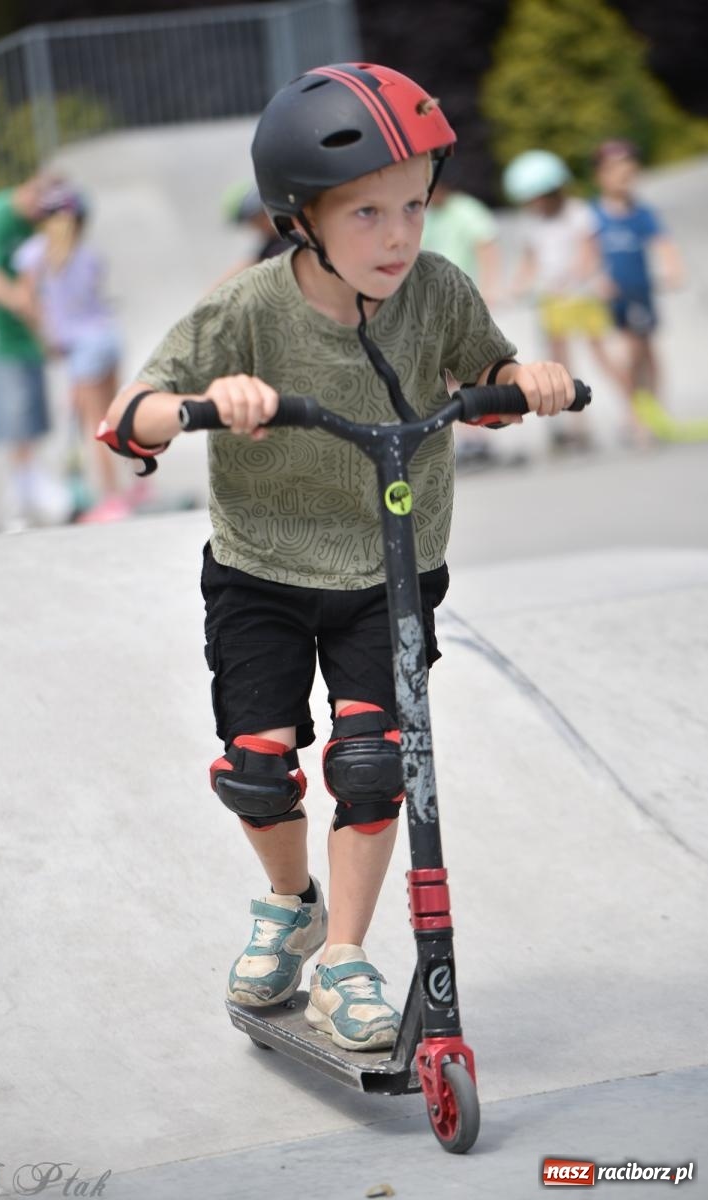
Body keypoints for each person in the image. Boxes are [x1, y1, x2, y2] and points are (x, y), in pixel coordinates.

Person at [99, 63, 576, 1052]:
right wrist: (205, 405)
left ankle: (346, 960)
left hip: (390, 569)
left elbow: (486, 372)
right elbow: (129, 415)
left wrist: (521, 379)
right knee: (257, 769)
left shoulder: (436, 289)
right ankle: (290, 904)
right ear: (299, 219)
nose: (398, 236)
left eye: (413, 207)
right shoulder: (247, 309)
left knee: (370, 763)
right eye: (366, 213)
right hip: (262, 570)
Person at [13, 183, 131, 523]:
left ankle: (112, 498)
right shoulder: (88, 254)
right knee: (115, 417)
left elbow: (25, 301)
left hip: (82, 349)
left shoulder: (34, 253)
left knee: (94, 426)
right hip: (107, 336)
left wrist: (46, 337)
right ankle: (136, 485)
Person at [0, 174, 72, 531]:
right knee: (14, 414)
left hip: (25, 334)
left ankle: (28, 488)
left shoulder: (37, 224)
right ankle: (22, 496)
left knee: (33, 415)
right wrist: (25, 306)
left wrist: (48, 329)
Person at [503, 149, 616, 451]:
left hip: (583, 298)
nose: (534, 204)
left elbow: (589, 252)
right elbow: (530, 260)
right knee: (560, 365)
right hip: (553, 300)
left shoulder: (578, 213)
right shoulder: (533, 223)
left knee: (602, 355)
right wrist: (518, 285)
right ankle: (575, 426)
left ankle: (636, 415)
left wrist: (574, 277)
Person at [590, 139, 685, 445]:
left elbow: (663, 243)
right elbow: (586, 249)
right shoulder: (593, 214)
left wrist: (672, 269)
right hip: (612, 296)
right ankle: (637, 414)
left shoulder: (641, 213)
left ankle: (651, 410)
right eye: (615, 170)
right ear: (600, 175)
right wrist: (596, 277)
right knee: (629, 351)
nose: (623, 177)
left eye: (628, 171)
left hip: (640, 292)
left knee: (647, 351)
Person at [421, 178, 504, 469]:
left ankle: (481, 436)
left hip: (466, 303)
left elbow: (486, 247)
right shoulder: (424, 215)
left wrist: (489, 288)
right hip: (435, 306)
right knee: (445, 375)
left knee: (472, 370)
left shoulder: (465, 210)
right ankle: (468, 437)